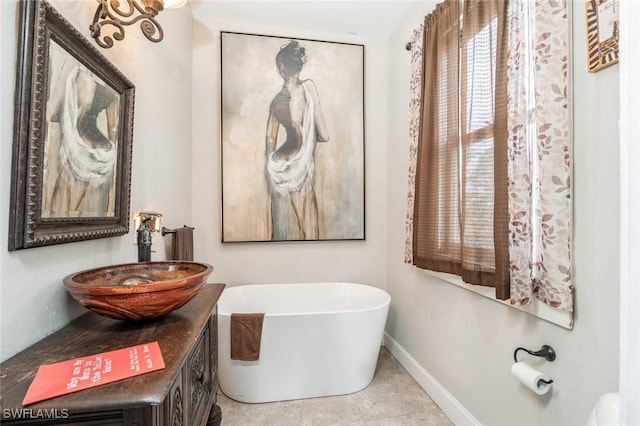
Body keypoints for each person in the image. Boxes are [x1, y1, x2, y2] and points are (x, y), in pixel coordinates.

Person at [265, 41, 329, 240]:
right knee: (310, 232)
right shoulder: (309, 89)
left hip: (278, 169)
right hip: (300, 169)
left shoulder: (276, 101)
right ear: (299, 66)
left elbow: (270, 140)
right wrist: (308, 137)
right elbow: (325, 135)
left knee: (281, 233)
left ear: (281, 68)